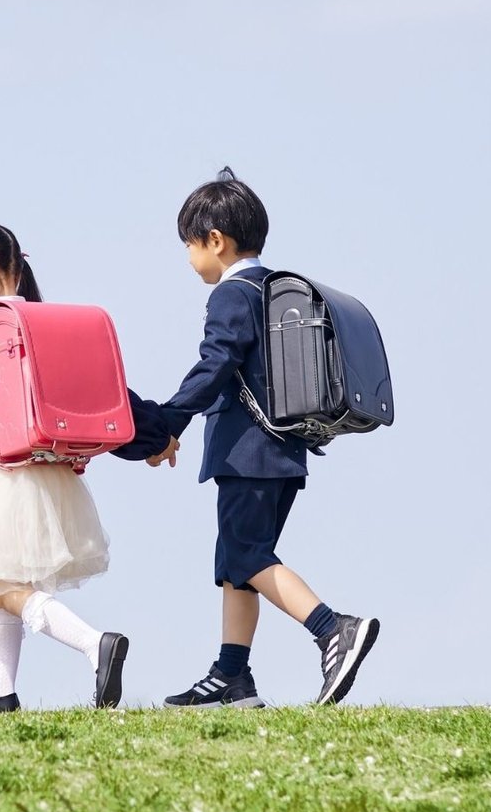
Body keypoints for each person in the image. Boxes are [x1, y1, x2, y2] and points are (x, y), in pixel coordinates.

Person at [0, 221, 174, 711]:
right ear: (17, 269)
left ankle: (93, 643)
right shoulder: (47, 328)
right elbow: (103, 394)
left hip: (0, 477)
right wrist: (154, 436)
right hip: (53, 474)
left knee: (2, 582)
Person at [157, 168, 379, 708]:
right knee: (237, 564)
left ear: (216, 240)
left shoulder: (231, 295)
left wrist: (169, 420)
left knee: (248, 556)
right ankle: (232, 675)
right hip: (284, 451)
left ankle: (333, 629)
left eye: (189, 244)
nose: (188, 257)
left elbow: (214, 365)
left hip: (247, 453)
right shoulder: (271, 289)